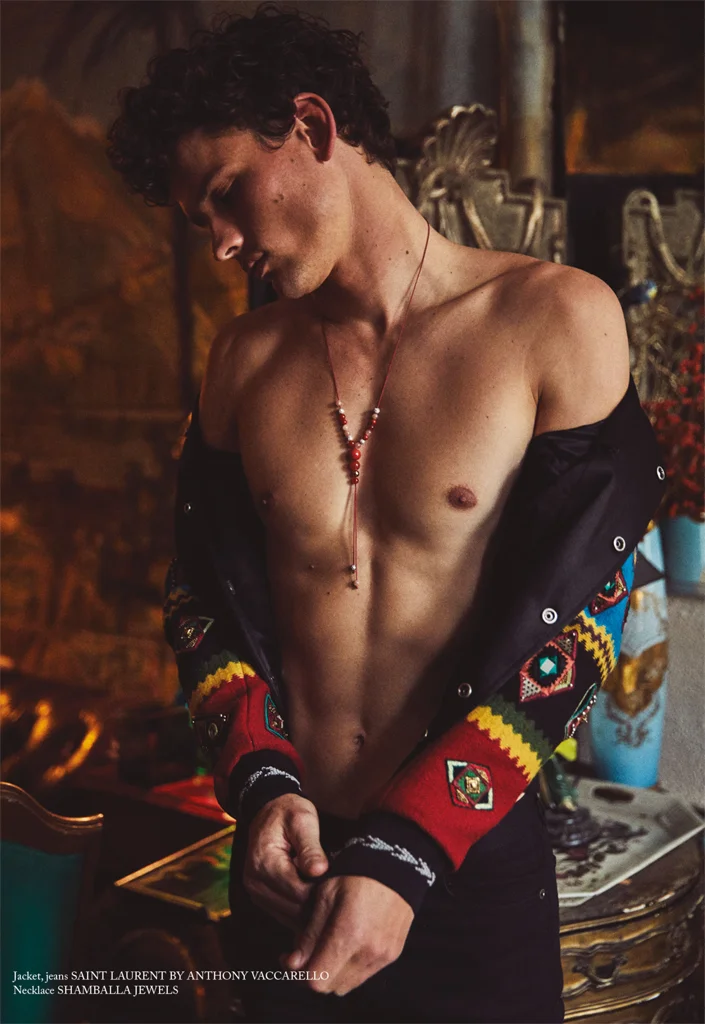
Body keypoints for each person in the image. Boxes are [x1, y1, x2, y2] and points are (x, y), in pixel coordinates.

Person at [107, 6, 665, 1021]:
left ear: (313, 126)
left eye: (227, 193)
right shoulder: (243, 362)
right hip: (289, 868)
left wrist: (408, 852)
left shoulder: (553, 320)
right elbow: (202, 601)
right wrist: (260, 785)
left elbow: (588, 615)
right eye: (201, 221)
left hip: (467, 875)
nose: (222, 244)